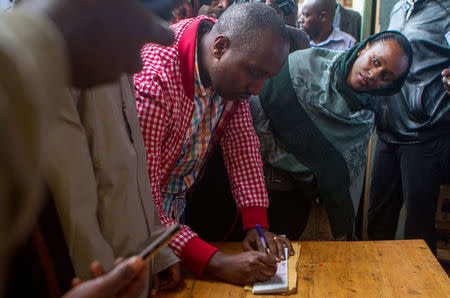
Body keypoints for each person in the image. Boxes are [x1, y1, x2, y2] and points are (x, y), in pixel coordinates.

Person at [0, 0, 179, 297]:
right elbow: (72, 196)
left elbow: (133, 164)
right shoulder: (38, 65)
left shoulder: (95, 49)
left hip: (124, 268)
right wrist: (101, 276)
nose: (137, 65)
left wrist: (156, 250)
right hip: (101, 273)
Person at [134, 2, 293, 285]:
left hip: (174, 216)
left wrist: (257, 226)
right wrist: (216, 262)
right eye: (255, 73)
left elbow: (243, 146)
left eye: (267, 77)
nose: (258, 88)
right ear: (219, 48)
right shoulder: (154, 81)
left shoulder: (229, 66)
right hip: (138, 224)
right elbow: (141, 200)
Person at [250, 31, 412, 240]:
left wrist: (313, 178)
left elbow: (344, 180)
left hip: (308, 211)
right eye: (375, 61)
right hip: (260, 193)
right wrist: (304, 171)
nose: (374, 75)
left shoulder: (363, 119)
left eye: (385, 77)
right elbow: (256, 120)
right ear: (365, 47)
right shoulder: (302, 64)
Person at [367, 0, 450, 254]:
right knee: (377, 221)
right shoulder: (399, 7)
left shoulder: (446, 11)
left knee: (417, 230)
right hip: (387, 130)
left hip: (423, 134)